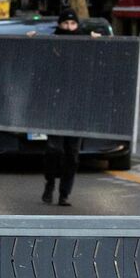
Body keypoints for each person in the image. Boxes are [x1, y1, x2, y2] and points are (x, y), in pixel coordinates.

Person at [38, 12, 97, 206]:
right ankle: (50, 183)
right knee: (54, 150)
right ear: (60, 24)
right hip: (55, 105)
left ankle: (64, 193)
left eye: (73, 23)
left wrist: (100, 42)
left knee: (72, 154)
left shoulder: (86, 46)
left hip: (77, 108)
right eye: (66, 23)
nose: (70, 27)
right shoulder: (52, 45)